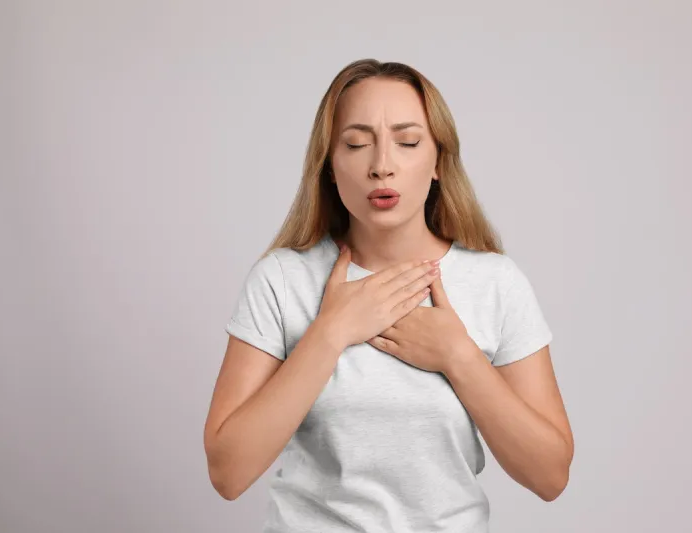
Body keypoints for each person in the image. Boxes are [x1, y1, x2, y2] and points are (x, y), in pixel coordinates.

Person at [203, 58, 574, 532]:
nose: (381, 166)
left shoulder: (495, 283)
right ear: (330, 168)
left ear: (439, 160)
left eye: (408, 142)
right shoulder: (281, 279)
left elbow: (550, 476)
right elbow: (227, 472)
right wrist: (330, 333)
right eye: (356, 144)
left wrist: (458, 356)